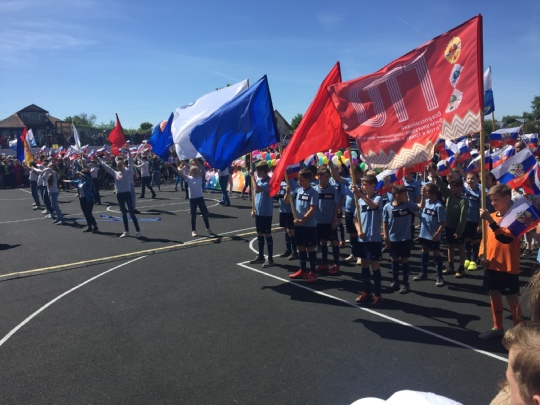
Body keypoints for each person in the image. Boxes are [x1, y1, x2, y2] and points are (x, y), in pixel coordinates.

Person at [478, 183, 522, 339]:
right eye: (491, 200)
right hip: (492, 264)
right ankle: (497, 327)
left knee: (512, 298)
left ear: (507, 198)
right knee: (494, 294)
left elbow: (506, 238)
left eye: (496, 200)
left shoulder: (516, 217)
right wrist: (481, 256)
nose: (492, 203)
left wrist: (491, 221)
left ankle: (518, 331)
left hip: (508, 265)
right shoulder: (491, 216)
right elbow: (484, 240)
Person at [431, 166, 469, 278]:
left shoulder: (463, 200)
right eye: (451, 187)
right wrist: (435, 175)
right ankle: (451, 266)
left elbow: (463, 217)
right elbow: (442, 187)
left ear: (460, 188)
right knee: (450, 246)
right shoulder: (450, 195)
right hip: (449, 226)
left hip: (458, 228)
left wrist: (459, 231)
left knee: (461, 247)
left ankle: (461, 268)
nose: (452, 189)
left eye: (454, 187)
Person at [352, 174, 384, 306]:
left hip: (373, 238)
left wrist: (359, 194)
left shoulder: (378, 198)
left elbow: (373, 205)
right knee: (364, 264)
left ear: (373, 186)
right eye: (361, 184)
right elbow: (355, 218)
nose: (362, 187)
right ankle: (367, 292)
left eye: (364, 185)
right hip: (362, 239)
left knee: (374, 265)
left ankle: (378, 294)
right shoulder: (359, 200)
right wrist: (358, 230)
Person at [284, 168, 319, 283]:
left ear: (308, 179)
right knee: (300, 247)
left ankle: (313, 272)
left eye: (302, 180)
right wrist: (287, 193)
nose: (299, 182)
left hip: (308, 226)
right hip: (299, 224)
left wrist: (302, 220)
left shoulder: (313, 192)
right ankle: (303, 270)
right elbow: (286, 201)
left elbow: (313, 209)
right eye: (298, 180)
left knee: (310, 248)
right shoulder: (298, 190)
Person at [383, 185, 420, 294]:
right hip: (393, 238)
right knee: (394, 259)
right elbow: (385, 222)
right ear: (397, 196)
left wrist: (422, 196)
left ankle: (405, 283)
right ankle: (395, 282)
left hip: (405, 238)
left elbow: (420, 205)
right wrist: (386, 236)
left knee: (404, 260)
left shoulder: (408, 205)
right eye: (404, 194)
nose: (406, 196)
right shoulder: (387, 207)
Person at [167, 160, 216, 237]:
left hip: (200, 198)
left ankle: (208, 228)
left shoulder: (199, 177)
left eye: (196, 171)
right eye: (194, 171)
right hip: (192, 199)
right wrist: (172, 166)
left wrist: (195, 160)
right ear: (191, 172)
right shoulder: (188, 178)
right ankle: (193, 230)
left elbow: (202, 167)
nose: (196, 172)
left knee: (204, 214)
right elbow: (179, 172)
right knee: (193, 215)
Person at [99, 149, 141, 238]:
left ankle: (138, 231)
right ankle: (126, 231)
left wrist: (129, 153)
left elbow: (130, 163)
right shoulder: (116, 173)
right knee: (123, 213)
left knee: (131, 213)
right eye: (118, 166)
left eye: (120, 165)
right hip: (119, 195)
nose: (119, 167)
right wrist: (99, 160)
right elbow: (107, 167)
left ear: (123, 165)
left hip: (127, 193)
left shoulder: (128, 171)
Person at [413, 183, 447, 286]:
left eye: (426, 192)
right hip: (424, 234)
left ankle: (439, 276)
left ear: (431, 193)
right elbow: (420, 213)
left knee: (436, 253)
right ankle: (423, 273)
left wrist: (437, 234)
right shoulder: (426, 202)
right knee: (424, 251)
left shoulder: (438, 206)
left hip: (433, 235)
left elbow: (443, 222)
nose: (425, 194)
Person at [313, 166, 341, 275]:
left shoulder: (332, 189)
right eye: (325, 176)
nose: (327, 179)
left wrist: (334, 220)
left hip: (330, 221)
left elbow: (335, 205)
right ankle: (324, 263)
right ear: (319, 177)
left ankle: (336, 264)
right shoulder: (314, 190)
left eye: (328, 177)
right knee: (322, 241)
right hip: (319, 221)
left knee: (334, 242)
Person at [249, 161, 274, 267]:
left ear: (263, 171)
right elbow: (255, 194)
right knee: (259, 233)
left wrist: (252, 177)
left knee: (267, 234)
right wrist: (254, 209)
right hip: (259, 212)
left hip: (266, 212)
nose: (257, 173)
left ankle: (270, 258)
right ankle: (260, 256)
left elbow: (257, 189)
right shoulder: (259, 180)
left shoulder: (269, 182)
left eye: (258, 171)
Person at [64, 167, 98, 232]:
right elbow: (74, 181)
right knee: (85, 213)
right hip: (82, 198)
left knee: (88, 213)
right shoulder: (80, 181)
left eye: (81, 174)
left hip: (88, 199)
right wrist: (66, 181)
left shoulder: (88, 181)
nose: (79, 175)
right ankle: (89, 226)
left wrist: (80, 173)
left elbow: (87, 178)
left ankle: (95, 225)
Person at [277, 174, 298, 260]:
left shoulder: (292, 183)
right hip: (282, 210)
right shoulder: (281, 183)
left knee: (291, 231)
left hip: (290, 211)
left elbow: (289, 199)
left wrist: (286, 193)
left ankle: (294, 251)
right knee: (285, 230)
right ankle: (288, 249)